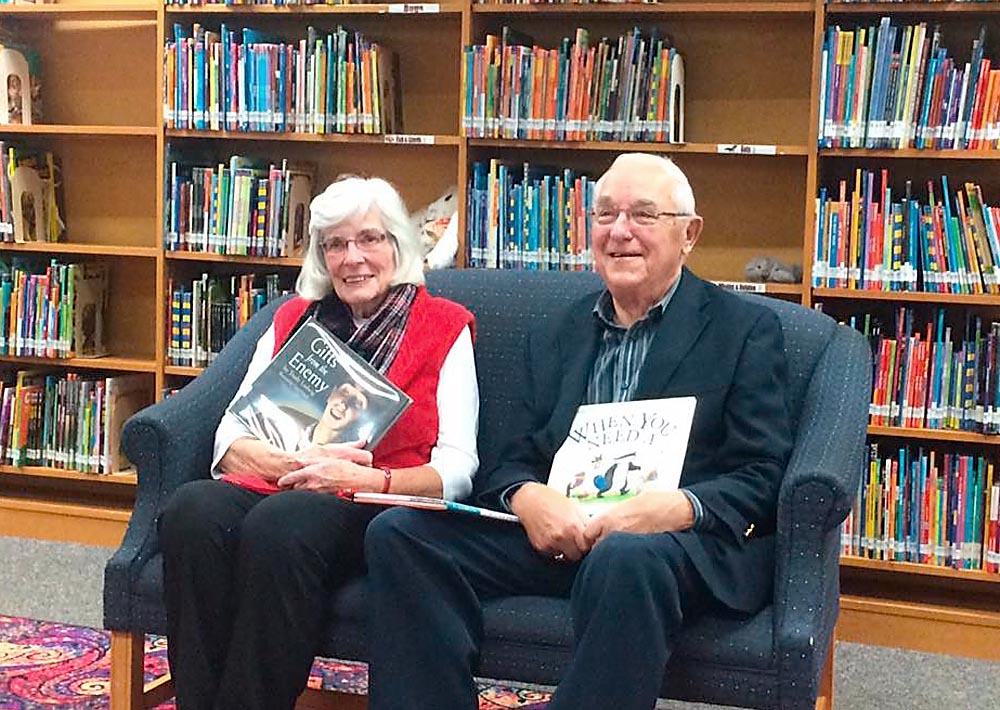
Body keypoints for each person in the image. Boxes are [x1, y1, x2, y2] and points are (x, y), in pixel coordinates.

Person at [364, 153, 793, 710]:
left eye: (643, 215)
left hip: (670, 546)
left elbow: (763, 472)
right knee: (401, 534)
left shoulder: (745, 329)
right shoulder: (556, 332)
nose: (620, 232)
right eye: (605, 214)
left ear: (688, 234)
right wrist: (527, 497)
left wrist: (673, 509)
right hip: (564, 533)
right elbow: (513, 455)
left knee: (627, 559)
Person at [157, 175, 480, 710]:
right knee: (191, 510)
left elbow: (458, 468)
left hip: (373, 502)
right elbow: (231, 433)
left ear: (398, 245)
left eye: (369, 239)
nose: (353, 258)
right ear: (321, 255)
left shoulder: (445, 327)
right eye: (335, 244)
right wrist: (281, 460)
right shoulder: (291, 320)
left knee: (282, 524)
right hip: (278, 478)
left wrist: (368, 478)